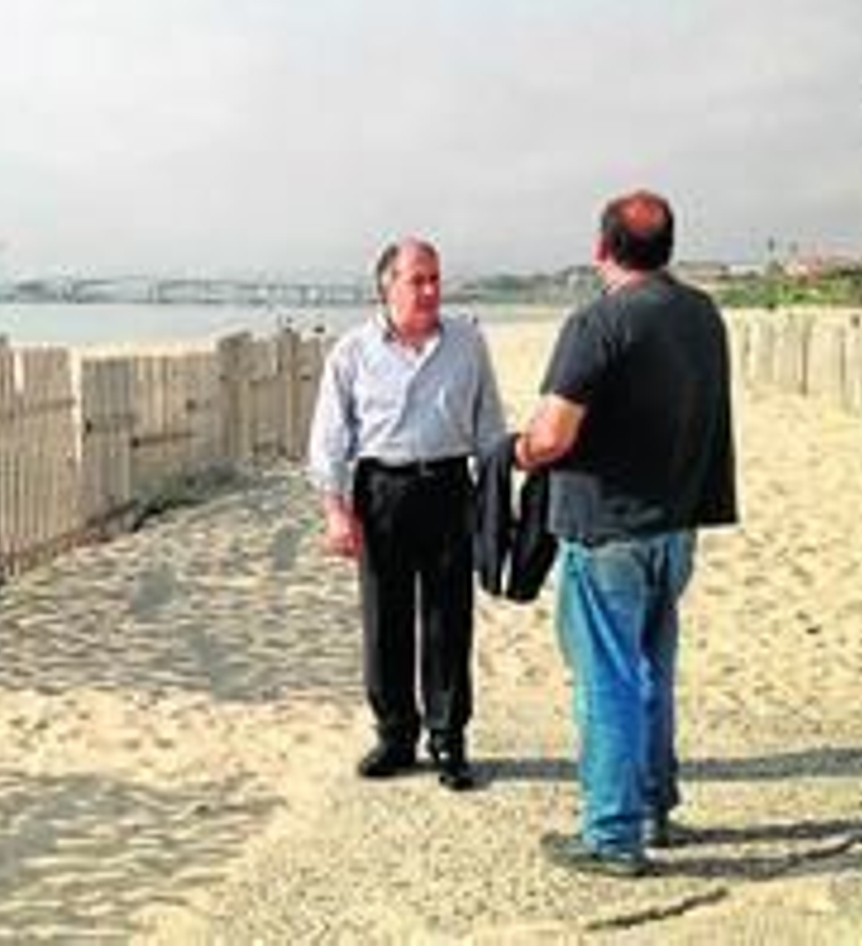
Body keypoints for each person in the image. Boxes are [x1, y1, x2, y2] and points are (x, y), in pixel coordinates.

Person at [515, 190, 737, 877]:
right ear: (666, 247)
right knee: (652, 671)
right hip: (676, 529)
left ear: (601, 248)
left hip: (609, 530)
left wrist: (517, 452)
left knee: (606, 679)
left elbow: (552, 435)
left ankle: (612, 834)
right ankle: (654, 806)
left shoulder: (599, 323)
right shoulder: (703, 315)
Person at [307, 238, 506, 791]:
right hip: (382, 491)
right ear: (386, 285)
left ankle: (448, 739)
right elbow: (329, 439)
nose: (430, 290)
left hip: (447, 487)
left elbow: (489, 425)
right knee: (385, 618)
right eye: (417, 279)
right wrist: (335, 512)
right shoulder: (351, 351)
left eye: (435, 279)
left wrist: (496, 501)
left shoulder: (467, 344)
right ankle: (395, 735)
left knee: (448, 617)